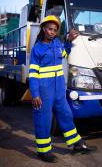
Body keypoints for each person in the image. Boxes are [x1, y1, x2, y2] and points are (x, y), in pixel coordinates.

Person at [29, 15, 97, 163]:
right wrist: (35, 94)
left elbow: (64, 54)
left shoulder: (58, 44)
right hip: (44, 90)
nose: (52, 32)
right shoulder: (37, 49)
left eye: (54, 30)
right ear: (44, 29)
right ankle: (43, 151)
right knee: (44, 120)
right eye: (49, 29)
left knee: (66, 114)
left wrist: (68, 41)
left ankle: (76, 144)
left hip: (59, 89)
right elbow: (33, 73)